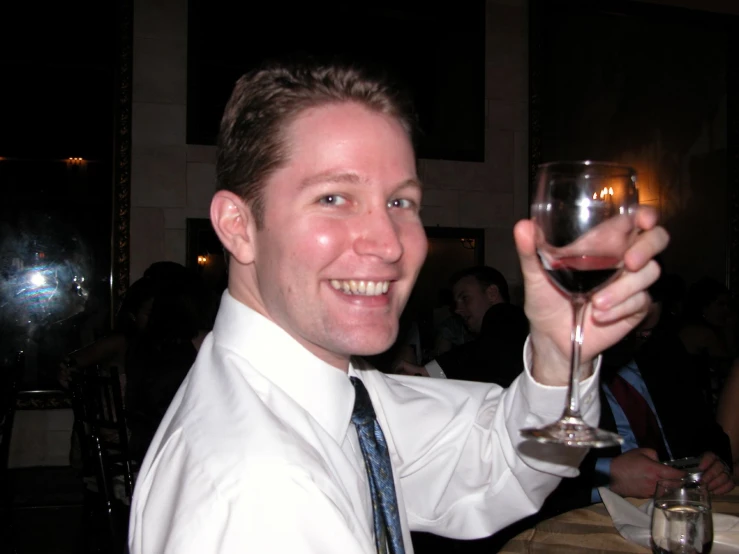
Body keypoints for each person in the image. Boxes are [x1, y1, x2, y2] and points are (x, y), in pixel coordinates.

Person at [128, 58, 668, 553]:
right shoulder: (261, 494)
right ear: (237, 227)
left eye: (399, 202)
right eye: (334, 198)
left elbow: (497, 457)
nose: (389, 243)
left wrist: (555, 353)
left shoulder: (339, 391)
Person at [541, 286, 733, 518]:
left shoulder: (664, 348)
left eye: (645, 331)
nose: (633, 342)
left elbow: (710, 434)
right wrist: (607, 474)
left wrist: (716, 465)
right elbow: (518, 471)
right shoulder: (537, 365)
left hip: (682, 506)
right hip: (591, 515)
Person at [399, 266, 529, 387]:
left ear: (492, 294)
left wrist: (429, 371)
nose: (457, 309)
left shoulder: (505, 313)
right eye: (456, 303)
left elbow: (489, 352)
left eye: (465, 298)